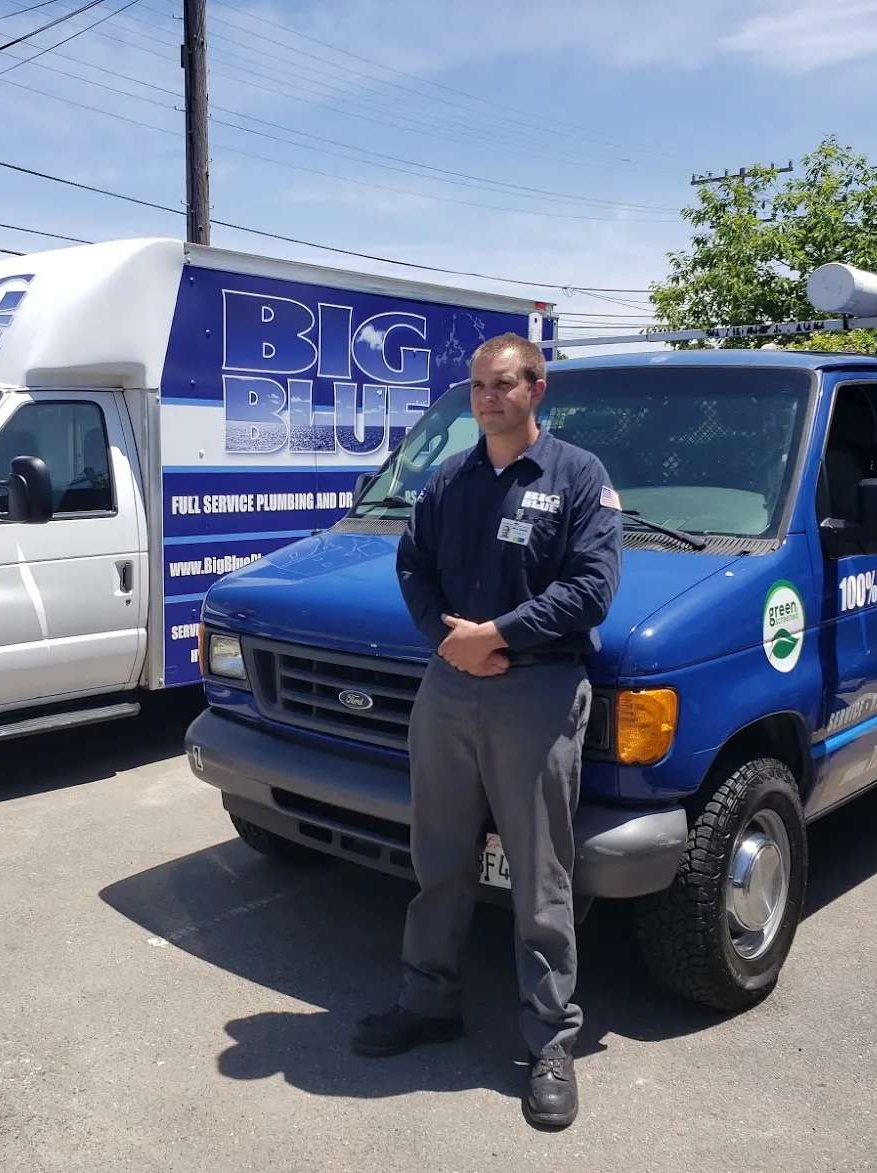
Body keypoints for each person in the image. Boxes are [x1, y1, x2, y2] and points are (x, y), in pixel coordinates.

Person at [352, 332, 622, 1130]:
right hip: (449, 688)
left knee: (540, 875)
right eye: (477, 386)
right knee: (438, 855)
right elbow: (413, 564)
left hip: (534, 693)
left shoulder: (579, 477)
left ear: (537, 389)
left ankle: (548, 1037)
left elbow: (592, 590)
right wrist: (446, 635)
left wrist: (496, 633)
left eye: (501, 384)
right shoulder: (450, 479)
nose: (486, 398)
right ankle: (427, 1000)